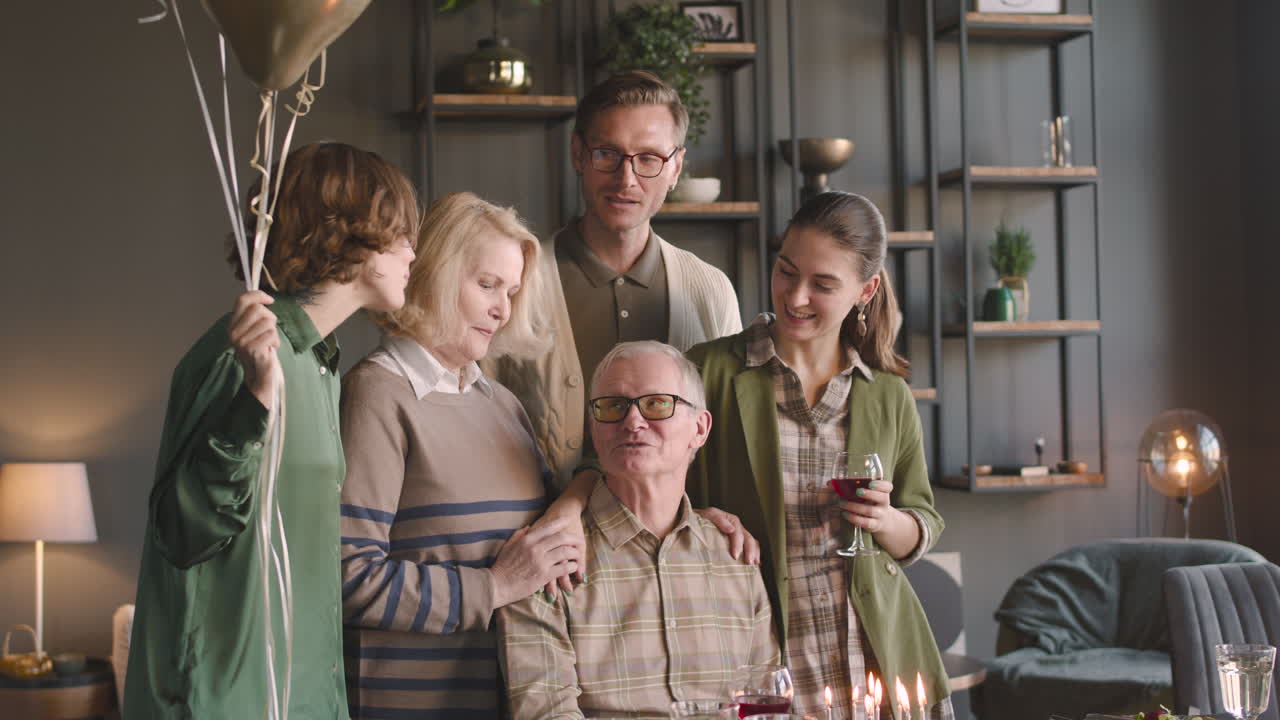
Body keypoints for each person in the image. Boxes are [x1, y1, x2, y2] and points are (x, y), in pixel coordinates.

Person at [124, 142, 419, 720]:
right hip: (225, 700)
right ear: (354, 236)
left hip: (298, 692)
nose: (414, 251)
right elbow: (183, 528)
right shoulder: (239, 356)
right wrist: (256, 397)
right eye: (401, 233)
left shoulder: (318, 363)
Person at [686, 192, 954, 720]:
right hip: (762, 656)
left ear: (866, 290)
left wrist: (886, 519)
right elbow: (651, 496)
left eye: (823, 284)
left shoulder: (887, 395)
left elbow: (923, 522)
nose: (796, 296)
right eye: (786, 270)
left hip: (878, 660)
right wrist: (697, 516)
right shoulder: (710, 372)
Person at [338, 192, 585, 719]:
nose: (503, 308)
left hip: (513, 700)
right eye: (487, 284)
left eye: (512, 291)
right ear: (435, 273)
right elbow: (348, 578)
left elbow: (551, 536)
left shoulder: (501, 404)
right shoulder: (377, 395)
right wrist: (494, 586)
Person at [484, 70, 743, 489]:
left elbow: (728, 440)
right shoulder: (518, 281)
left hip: (676, 549)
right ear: (578, 154)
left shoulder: (710, 290)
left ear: (676, 167)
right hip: (545, 544)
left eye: (648, 159)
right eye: (608, 154)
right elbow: (479, 424)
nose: (627, 179)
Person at [498, 341, 778, 719]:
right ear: (594, 429)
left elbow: (765, 704)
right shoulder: (544, 561)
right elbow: (545, 712)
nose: (632, 421)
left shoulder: (736, 558)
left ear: (700, 427)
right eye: (613, 406)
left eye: (657, 403)